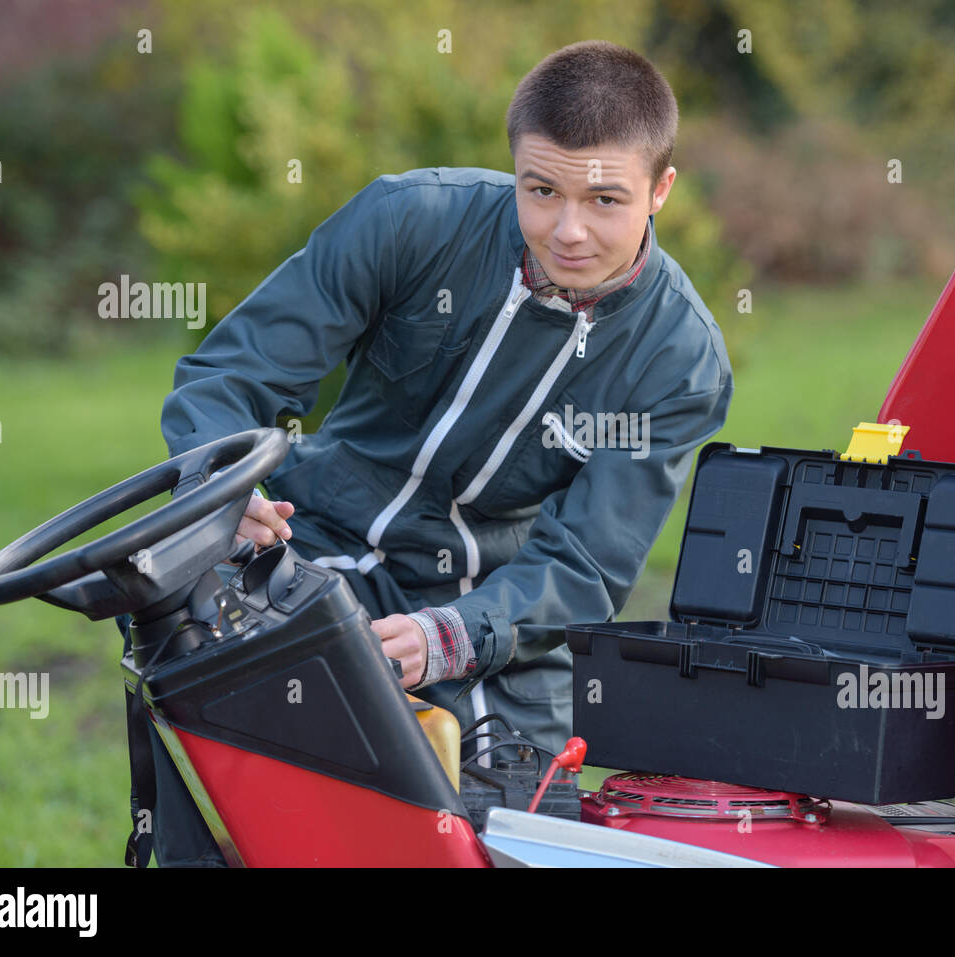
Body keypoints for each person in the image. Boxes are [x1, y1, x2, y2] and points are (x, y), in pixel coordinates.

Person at [131, 39, 733, 865]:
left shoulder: (681, 359)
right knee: (234, 744)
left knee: (517, 832)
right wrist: (221, 486)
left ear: (660, 189)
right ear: (513, 165)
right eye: (541, 189)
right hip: (313, 543)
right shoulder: (408, 220)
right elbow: (229, 375)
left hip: (494, 605)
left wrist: (452, 633)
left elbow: (587, 564)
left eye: (605, 199)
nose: (568, 229)